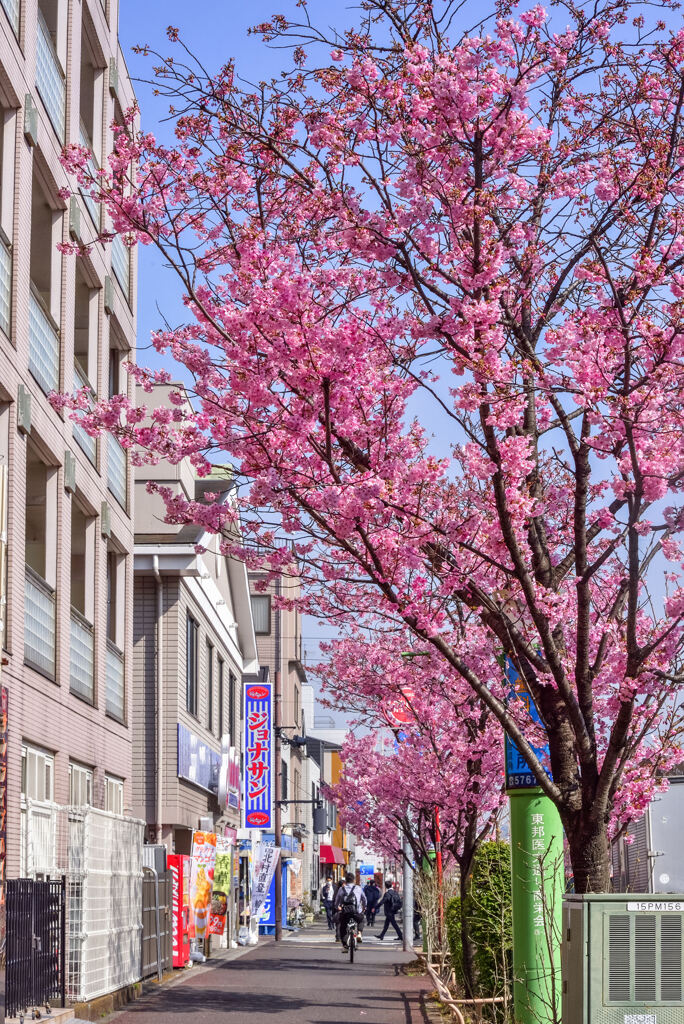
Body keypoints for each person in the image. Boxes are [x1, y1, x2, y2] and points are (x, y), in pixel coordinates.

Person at [334, 872, 366, 952]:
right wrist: (364, 907)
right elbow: (364, 899)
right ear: (354, 880)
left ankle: (345, 946)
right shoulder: (358, 888)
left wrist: (337, 907)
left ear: (345, 881)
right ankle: (359, 933)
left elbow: (336, 901)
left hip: (345, 912)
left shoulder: (342, 889)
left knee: (343, 927)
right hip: (356, 912)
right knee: (361, 919)